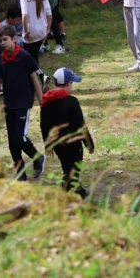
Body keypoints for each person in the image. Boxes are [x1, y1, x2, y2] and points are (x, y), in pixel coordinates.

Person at [0, 26, 45, 179]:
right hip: (9, 103)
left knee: (20, 137)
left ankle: (38, 157)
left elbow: (35, 79)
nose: (2, 43)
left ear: (14, 39)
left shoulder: (24, 56)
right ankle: (21, 175)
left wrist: (41, 100)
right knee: (12, 142)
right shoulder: (0, 60)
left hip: (23, 102)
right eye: (0, 41)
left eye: (5, 39)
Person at [40, 67, 95, 198]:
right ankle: (71, 193)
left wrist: (48, 143)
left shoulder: (46, 101)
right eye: (72, 83)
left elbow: (44, 125)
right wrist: (89, 144)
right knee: (74, 169)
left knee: (67, 167)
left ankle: (76, 190)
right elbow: (80, 125)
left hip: (58, 144)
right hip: (73, 144)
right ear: (68, 84)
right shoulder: (72, 101)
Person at [19, 0, 52, 68]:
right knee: (35, 55)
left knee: (29, 58)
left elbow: (24, 15)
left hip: (30, 31)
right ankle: (38, 73)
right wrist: (47, 31)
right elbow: (49, 15)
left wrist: (26, 32)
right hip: (42, 31)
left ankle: (35, 74)